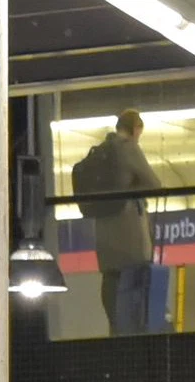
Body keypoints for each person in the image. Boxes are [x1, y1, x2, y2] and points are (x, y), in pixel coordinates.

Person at [75, 110, 166, 336]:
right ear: (136, 129)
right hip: (131, 241)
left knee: (114, 304)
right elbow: (155, 185)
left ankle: (115, 348)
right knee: (138, 311)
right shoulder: (128, 148)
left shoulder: (100, 153)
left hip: (105, 243)